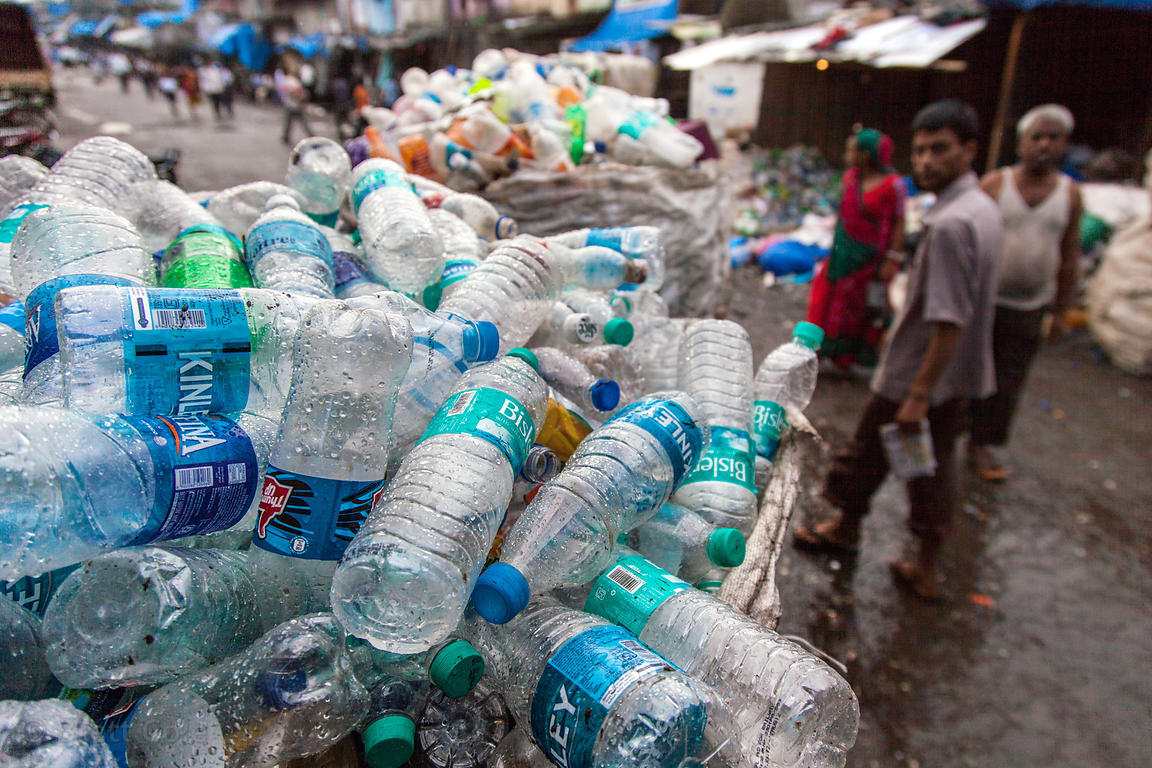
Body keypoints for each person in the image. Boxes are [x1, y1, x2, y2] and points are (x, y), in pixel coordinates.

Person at [793, 100, 1002, 601]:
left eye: (941, 149)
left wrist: (917, 395)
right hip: (950, 374)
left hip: (919, 375)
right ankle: (891, 547)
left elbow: (949, 319)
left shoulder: (952, 224)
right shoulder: (980, 208)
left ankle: (874, 541)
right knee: (921, 464)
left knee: (882, 455)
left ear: (969, 150)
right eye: (921, 150)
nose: (927, 160)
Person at [968, 105, 1082, 481]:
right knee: (967, 371)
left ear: (1065, 143)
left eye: (1053, 137)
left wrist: (1060, 313)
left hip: (1029, 307)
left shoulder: (1069, 194)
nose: (1045, 144)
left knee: (1008, 380)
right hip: (982, 302)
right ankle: (954, 433)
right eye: (1037, 136)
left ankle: (982, 445)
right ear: (1021, 143)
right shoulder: (995, 185)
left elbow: (1069, 257)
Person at [806, 129, 907, 371]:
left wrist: (891, 259)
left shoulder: (894, 186)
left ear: (867, 155)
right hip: (842, 255)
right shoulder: (851, 178)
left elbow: (899, 223)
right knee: (825, 301)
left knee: (859, 310)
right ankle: (818, 352)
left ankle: (847, 358)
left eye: (853, 150)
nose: (848, 155)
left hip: (870, 261)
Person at [278, 71, 312, 145]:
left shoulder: (292, 81)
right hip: (292, 104)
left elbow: (297, 91)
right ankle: (285, 137)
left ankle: (311, 135)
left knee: (299, 121)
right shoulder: (291, 80)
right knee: (289, 122)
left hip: (295, 105)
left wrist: (290, 91)